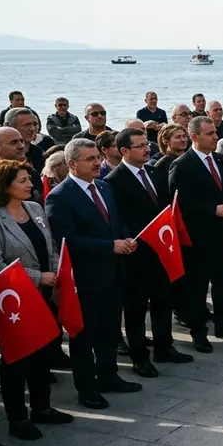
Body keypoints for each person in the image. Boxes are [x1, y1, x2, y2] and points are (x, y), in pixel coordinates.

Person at [46, 138, 142, 408]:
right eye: (89, 159)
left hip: (112, 272)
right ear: (72, 164)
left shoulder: (104, 186)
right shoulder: (60, 197)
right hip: (85, 279)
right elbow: (68, 241)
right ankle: (86, 388)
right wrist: (110, 246)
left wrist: (125, 238)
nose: (97, 162)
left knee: (110, 329)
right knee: (83, 336)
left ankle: (109, 375)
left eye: (97, 157)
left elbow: (115, 221)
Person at [105, 128, 192, 377]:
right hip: (136, 254)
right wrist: (137, 236)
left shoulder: (154, 172)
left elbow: (165, 207)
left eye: (147, 144)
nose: (147, 149)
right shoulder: (114, 180)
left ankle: (165, 346)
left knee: (163, 300)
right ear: (124, 151)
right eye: (140, 146)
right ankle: (139, 356)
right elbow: (117, 219)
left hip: (162, 250)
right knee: (135, 307)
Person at [0, 160, 74, 445]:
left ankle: (42, 407)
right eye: (22, 181)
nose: (30, 185)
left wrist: (54, 273)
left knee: (43, 353)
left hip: (44, 292)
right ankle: (18, 418)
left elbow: (50, 244)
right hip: (15, 298)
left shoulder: (35, 209)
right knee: (16, 359)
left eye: (29, 179)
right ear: (6, 186)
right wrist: (36, 277)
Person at [170, 117, 223, 354]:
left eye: (215, 132)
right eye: (209, 133)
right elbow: (179, 204)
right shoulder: (182, 165)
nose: (215, 136)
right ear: (194, 136)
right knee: (198, 287)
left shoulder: (222, 160)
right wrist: (212, 209)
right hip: (198, 237)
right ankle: (198, 332)